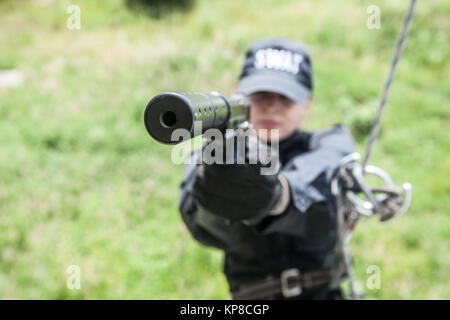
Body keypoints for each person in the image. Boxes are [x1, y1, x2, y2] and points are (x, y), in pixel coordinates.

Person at [179, 38, 356, 300]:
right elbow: (202, 223)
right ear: (239, 93)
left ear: (307, 103)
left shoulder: (329, 145)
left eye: (286, 98)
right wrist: (219, 184)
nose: (272, 106)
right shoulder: (215, 153)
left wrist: (278, 195)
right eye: (261, 96)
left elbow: (322, 191)